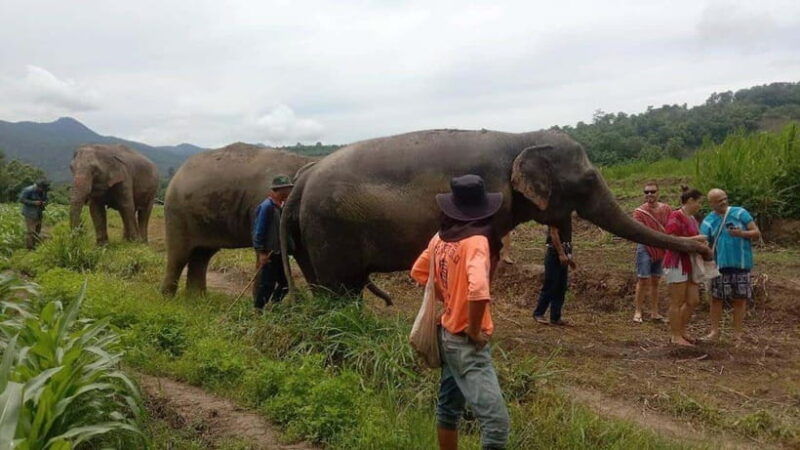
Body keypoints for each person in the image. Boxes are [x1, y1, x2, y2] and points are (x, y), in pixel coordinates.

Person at [411, 174, 509, 450]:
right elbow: (478, 290)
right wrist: (474, 329)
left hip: (447, 336)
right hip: (465, 344)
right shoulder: (476, 241)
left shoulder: (440, 238)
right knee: (496, 424)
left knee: (448, 409)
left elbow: (419, 272)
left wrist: (449, 297)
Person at [700, 189, 760, 341]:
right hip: (718, 266)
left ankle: (737, 333)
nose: (724, 202)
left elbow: (756, 233)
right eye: (719, 201)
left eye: (725, 198)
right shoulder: (708, 221)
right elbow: (703, 243)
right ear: (711, 204)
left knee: (740, 299)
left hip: (741, 264)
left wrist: (742, 234)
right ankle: (714, 332)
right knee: (716, 299)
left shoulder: (740, 213)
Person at [663, 186, 708, 346]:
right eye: (699, 202)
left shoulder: (693, 219)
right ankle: (675, 336)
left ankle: (681, 330)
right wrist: (696, 239)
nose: (699, 206)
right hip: (676, 261)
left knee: (693, 300)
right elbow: (671, 238)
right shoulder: (676, 215)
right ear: (690, 201)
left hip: (690, 262)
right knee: (677, 300)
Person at [631, 181, 671, 323]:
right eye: (646, 192)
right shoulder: (639, 212)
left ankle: (655, 312)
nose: (649, 194)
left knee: (656, 280)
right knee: (643, 279)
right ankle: (638, 311)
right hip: (645, 248)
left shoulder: (666, 209)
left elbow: (671, 226)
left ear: (658, 192)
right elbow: (640, 231)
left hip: (661, 248)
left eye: (652, 191)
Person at [252, 175, 294, 310]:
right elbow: (259, 231)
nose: (289, 192)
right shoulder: (266, 207)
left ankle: (274, 306)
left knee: (285, 284)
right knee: (267, 285)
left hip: (279, 253)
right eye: (287, 189)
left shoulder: (280, 206)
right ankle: (258, 310)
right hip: (270, 254)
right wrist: (262, 253)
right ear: (279, 190)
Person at [533, 222, 575, 326]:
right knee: (550, 285)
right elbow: (554, 234)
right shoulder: (556, 213)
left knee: (561, 287)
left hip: (563, 254)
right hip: (554, 254)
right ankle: (539, 313)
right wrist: (561, 254)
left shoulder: (566, 215)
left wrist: (569, 258)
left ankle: (556, 317)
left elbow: (566, 239)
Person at [18, 179, 50, 249]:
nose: (43, 190)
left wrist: (45, 202)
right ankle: (30, 248)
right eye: (42, 189)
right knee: (31, 232)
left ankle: (35, 244)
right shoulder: (28, 190)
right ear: (39, 187)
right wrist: (34, 203)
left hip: (38, 212)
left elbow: (47, 199)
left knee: (38, 229)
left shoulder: (44, 191)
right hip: (29, 213)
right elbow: (21, 199)